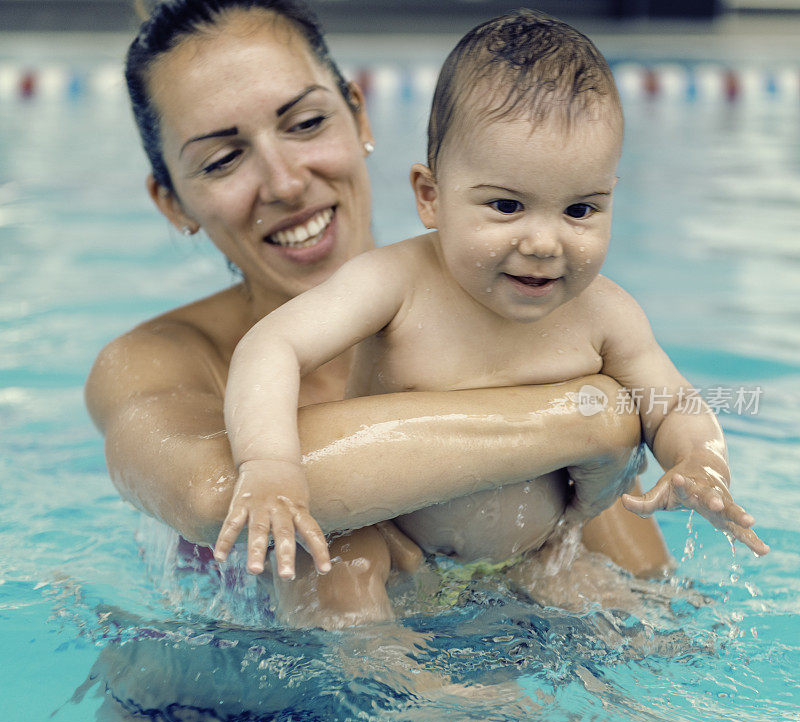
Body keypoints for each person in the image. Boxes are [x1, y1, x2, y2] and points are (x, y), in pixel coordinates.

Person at [85, 0, 671, 629]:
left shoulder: (524, 320)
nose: (284, 182)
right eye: (223, 160)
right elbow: (214, 495)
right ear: (172, 202)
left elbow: (647, 600)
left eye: (306, 123)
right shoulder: (157, 360)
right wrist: (592, 420)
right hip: (230, 713)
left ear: (359, 115)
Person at [216, 8, 768, 618]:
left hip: (533, 556)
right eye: (507, 205)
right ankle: (413, 697)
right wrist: (269, 466)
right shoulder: (395, 284)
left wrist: (700, 461)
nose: (544, 242)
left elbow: (676, 406)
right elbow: (271, 346)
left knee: (646, 624)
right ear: (431, 197)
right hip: (395, 544)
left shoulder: (605, 314)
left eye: (581, 210)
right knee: (339, 572)